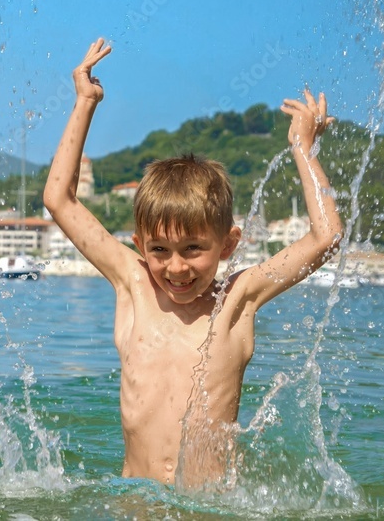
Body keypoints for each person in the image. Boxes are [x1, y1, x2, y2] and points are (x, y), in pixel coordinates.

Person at [43, 39, 342, 488]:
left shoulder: (237, 299)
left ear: (228, 245)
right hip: (135, 507)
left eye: (193, 250)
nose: (176, 268)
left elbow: (327, 237)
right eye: (159, 250)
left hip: (212, 511)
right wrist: (85, 102)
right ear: (140, 244)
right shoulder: (133, 284)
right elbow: (59, 200)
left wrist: (303, 147)